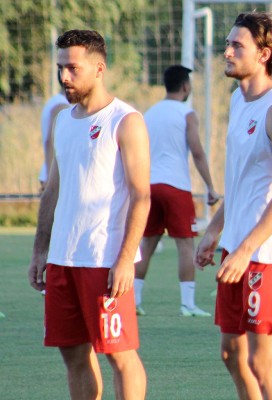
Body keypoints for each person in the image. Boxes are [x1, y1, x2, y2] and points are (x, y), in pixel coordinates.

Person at [27, 29, 150, 399]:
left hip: (103, 260)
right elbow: (52, 189)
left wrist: (125, 259)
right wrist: (40, 249)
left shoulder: (125, 120)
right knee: (73, 354)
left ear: (99, 68)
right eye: (60, 68)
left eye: (73, 68)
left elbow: (141, 196)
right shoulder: (63, 120)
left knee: (119, 354)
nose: (64, 76)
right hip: (63, 259)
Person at [194, 12, 272, 399]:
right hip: (238, 247)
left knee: (262, 361)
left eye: (237, 46)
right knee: (232, 353)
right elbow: (243, 182)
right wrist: (215, 231)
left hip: (269, 254)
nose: (227, 52)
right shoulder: (238, 100)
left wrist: (246, 250)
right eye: (227, 44)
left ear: (264, 54)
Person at [134, 65, 220, 317]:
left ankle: (134, 301)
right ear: (185, 86)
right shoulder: (187, 113)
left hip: (149, 186)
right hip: (175, 186)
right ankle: (188, 304)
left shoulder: (148, 114)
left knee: (147, 244)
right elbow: (197, 152)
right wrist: (210, 186)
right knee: (185, 245)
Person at [39, 72, 70, 191]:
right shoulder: (61, 106)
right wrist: (51, 182)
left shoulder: (56, 101)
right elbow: (51, 143)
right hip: (56, 177)